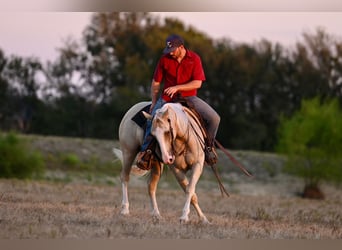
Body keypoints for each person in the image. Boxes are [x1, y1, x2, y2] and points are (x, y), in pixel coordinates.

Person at [136, 34, 220, 169]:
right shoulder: (164, 59)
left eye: (173, 50)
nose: (171, 53)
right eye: (169, 50)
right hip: (167, 98)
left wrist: (178, 87)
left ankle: (208, 147)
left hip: (189, 97)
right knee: (152, 120)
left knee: (214, 118)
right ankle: (146, 153)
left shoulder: (194, 59)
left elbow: (197, 83)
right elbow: (156, 82)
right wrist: (153, 102)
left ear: (181, 47)